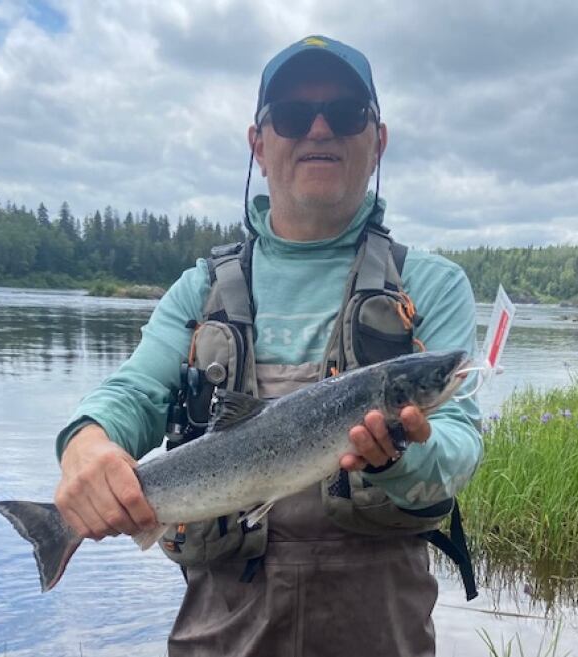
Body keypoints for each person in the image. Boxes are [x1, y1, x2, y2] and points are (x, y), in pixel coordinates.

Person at [54, 35, 483, 657]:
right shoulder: (198, 290)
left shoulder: (432, 286)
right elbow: (134, 393)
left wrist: (400, 456)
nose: (318, 129)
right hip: (222, 635)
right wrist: (86, 442)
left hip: (380, 634)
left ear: (377, 140)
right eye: (290, 115)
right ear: (258, 143)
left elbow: (460, 449)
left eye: (344, 113)